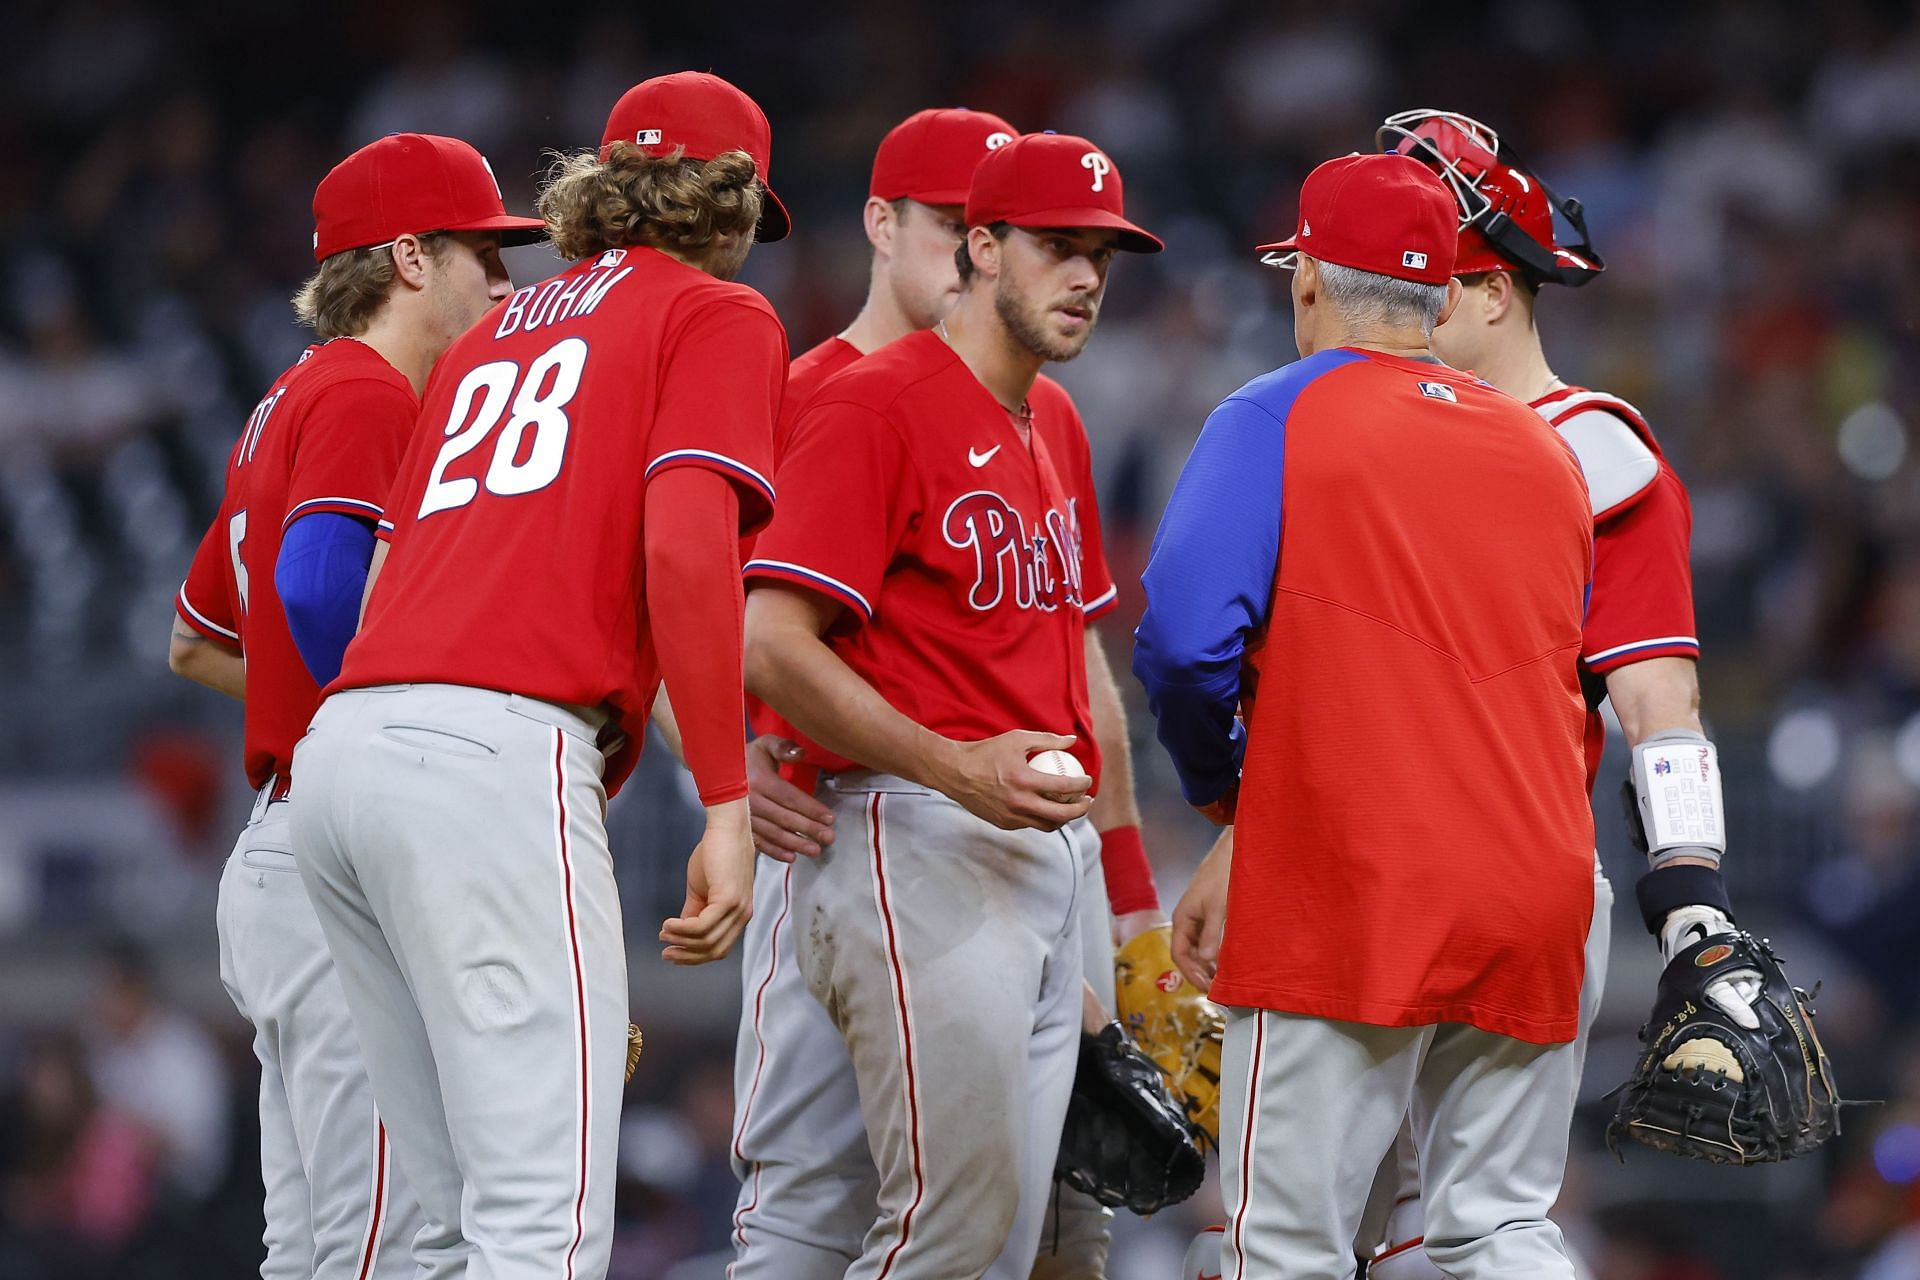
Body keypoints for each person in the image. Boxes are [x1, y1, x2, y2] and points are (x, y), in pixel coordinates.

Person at [1175, 110, 1757, 1280]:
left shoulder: (1591, 450)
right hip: (1472, 881)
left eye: (1448, 261)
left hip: (1388, 885)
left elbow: (1660, 705)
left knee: (1315, 1239)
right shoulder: (1389, 428)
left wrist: (1691, 896)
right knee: (1456, 1238)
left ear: (1488, 289)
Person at [289, 71, 789, 1280]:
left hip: (346, 753)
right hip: (493, 756)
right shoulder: (718, 315)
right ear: (725, 202)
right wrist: (727, 799)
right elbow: (684, 547)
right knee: (539, 1222)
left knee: (441, 1226)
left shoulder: (486, 336)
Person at [1137, 152, 1594, 1280]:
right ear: (1443, 295)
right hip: (1538, 881)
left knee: (1278, 1247)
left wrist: (1231, 800)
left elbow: (1185, 645)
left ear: (1304, 283)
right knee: (1494, 1227)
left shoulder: (1273, 414)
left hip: (1357, 879)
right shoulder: (1545, 450)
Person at [729, 108, 1166, 1280]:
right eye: (1057, 245)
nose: (1086, 276)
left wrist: (1127, 902)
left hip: (1036, 847)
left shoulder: (1052, 418)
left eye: (1103, 254)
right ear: (981, 244)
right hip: (903, 827)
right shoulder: (870, 400)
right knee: (934, 1227)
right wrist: (947, 766)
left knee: (1040, 1235)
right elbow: (767, 643)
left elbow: (1082, 675)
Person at [169, 131, 540, 1280]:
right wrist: (390, 740)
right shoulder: (371, 391)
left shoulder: (285, 398)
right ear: (410, 259)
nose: (506, 281)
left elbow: (196, 639)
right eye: (485, 252)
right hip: (342, 872)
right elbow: (321, 583)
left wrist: (320, 710)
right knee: (398, 1246)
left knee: (323, 1249)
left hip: (286, 848)